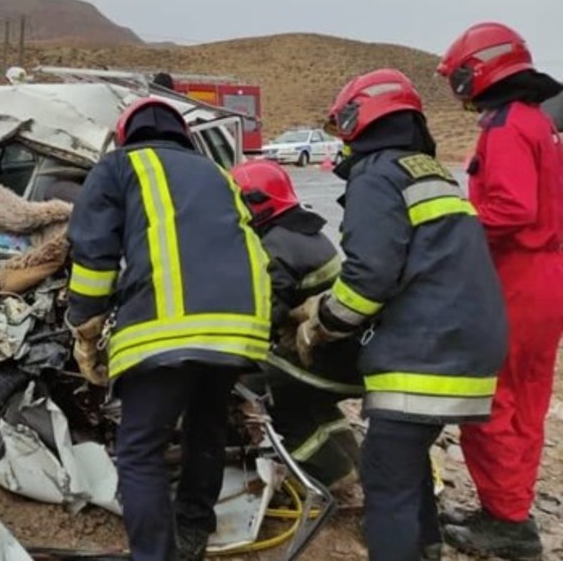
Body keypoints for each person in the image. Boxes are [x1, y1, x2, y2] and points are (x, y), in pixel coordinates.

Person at [293, 68, 508, 560]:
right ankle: (426, 547)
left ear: (361, 115)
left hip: (424, 350)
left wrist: (320, 322)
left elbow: (369, 279)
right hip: (468, 345)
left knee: (385, 475)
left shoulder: (378, 174)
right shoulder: (428, 172)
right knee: (406, 460)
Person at [66, 97, 272, 560]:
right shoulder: (217, 172)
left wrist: (85, 325)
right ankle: (194, 528)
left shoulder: (119, 166)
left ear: (124, 134)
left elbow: (94, 256)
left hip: (165, 328)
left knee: (141, 452)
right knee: (206, 426)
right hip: (237, 327)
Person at [434, 21, 563, 559]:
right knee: (526, 403)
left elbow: (512, 208)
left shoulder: (508, 126)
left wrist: (454, 227)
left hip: (516, 277)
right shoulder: (537, 121)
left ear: (477, 71)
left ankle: (507, 525)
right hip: (544, 278)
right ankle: (505, 510)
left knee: (493, 403)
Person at [229, 159, 362, 492]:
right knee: (310, 402)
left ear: (254, 203)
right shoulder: (304, 231)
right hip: (346, 355)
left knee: (266, 389)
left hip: (326, 358)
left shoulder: (272, 248)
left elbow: (264, 317)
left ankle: (327, 473)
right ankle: (350, 463)